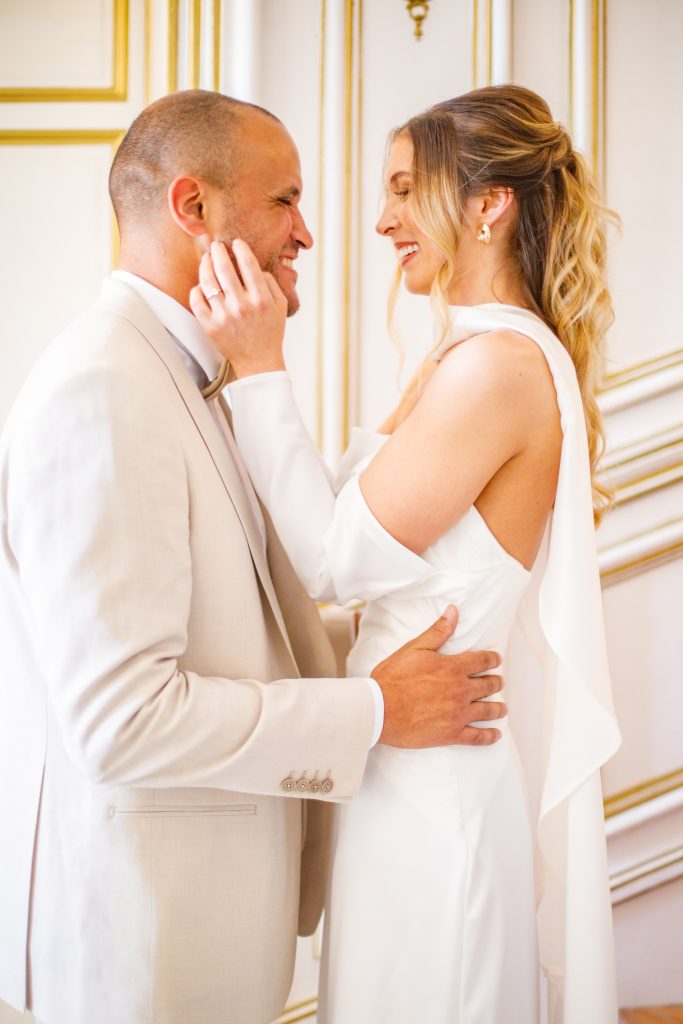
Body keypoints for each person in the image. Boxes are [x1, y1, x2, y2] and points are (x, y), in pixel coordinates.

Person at [0, 91, 509, 1024]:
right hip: (145, 944)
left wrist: (385, 628)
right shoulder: (102, 390)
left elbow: (225, 625)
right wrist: (372, 710)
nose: (308, 233)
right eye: (285, 201)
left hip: (200, 925)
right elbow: (121, 720)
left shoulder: (183, 375)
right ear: (194, 209)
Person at [194, 85, 622, 1024]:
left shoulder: (495, 369)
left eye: (403, 188)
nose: (382, 220)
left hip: (439, 784)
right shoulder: (460, 357)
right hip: (404, 762)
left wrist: (263, 363)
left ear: (485, 205)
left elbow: (332, 562)